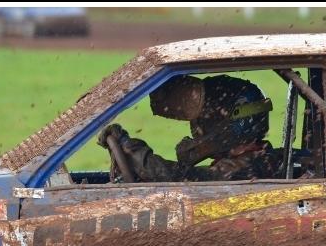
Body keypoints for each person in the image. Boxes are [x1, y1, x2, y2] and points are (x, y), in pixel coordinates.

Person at [97, 75, 281, 182]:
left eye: (205, 121)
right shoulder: (257, 158)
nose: (199, 130)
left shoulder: (248, 168)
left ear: (234, 124)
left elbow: (179, 180)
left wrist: (130, 149)